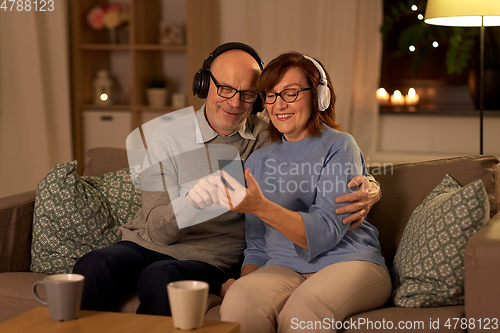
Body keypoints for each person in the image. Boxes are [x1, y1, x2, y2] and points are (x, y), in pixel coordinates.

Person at [72, 42, 381, 316]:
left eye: (247, 93)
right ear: (205, 84)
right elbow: (157, 229)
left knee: (161, 278)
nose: (235, 103)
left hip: (213, 257)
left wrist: (370, 184)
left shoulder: (268, 133)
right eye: (226, 89)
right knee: (93, 266)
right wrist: (190, 203)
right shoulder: (165, 137)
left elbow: (316, 151)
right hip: (151, 241)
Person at [218, 52, 391, 333]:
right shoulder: (258, 161)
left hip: (348, 261)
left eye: (291, 93)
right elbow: (258, 247)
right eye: (271, 95)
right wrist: (243, 281)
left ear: (319, 96)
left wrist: (261, 206)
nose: (278, 105)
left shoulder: (340, 146)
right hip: (283, 267)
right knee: (238, 303)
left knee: (303, 311)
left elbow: (323, 232)